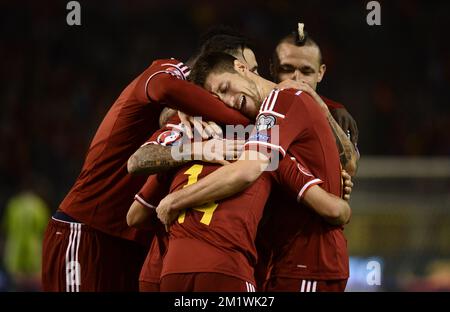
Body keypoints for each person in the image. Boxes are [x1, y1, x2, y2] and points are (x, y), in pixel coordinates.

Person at [41, 55, 249, 291]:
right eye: (246, 71)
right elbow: (163, 89)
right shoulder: (171, 71)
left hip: (134, 244)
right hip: (89, 229)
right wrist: (260, 122)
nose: (253, 79)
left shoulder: (211, 126)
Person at [153, 52, 357, 290]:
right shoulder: (270, 130)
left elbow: (248, 170)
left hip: (306, 264)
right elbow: (344, 179)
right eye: (218, 99)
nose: (228, 101)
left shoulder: (278, 102)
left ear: (241, 67)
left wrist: (174, 201)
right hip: (288, 262)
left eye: (226, 87)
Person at [128, 105, 352, 292]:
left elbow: (135, 216)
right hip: (228, 269)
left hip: (167, 271)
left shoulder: (185, 150)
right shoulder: (265, 153)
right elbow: (335, 210)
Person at [270, 23, 359, 145]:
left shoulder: (337, 118)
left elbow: (350, 164)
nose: (296, 79)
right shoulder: (253, 109)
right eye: (287, 69)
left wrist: (330, 112)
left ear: (320, 73)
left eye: (306, 71)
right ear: (272, 69)